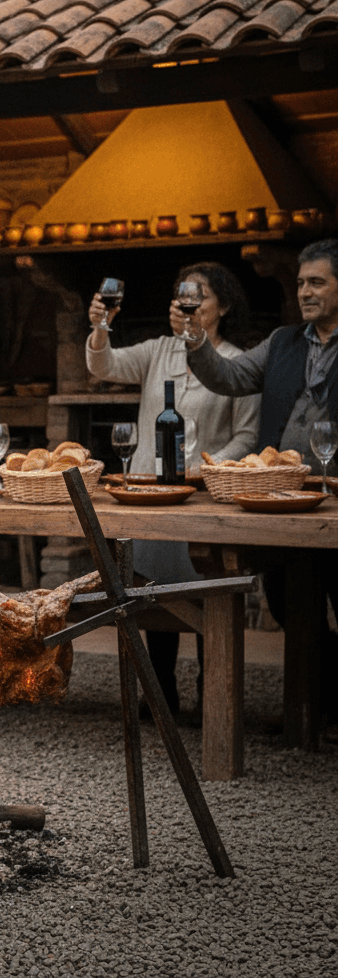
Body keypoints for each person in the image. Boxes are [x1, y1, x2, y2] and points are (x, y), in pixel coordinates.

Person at [174, 238, 338, 721]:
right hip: (283, 500)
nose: (304, 291)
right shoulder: (283, 341)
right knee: (289, 606)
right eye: (301, 282)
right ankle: (320, 706)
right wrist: (195, 340)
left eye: (317, 282)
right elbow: (226, 377)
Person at [88, 262, 260, 714]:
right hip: (151, 493)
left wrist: (209, 467)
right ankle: (161, 692)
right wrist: (100, 328)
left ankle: (210, 694)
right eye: (182, 294)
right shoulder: (158, 350)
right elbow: (105, 366)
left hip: (205, 496)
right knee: (153, 590)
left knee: (205, 591)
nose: (187, 303)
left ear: (222, 306)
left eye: (199, 295)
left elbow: (246, 436)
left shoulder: (239, 364)